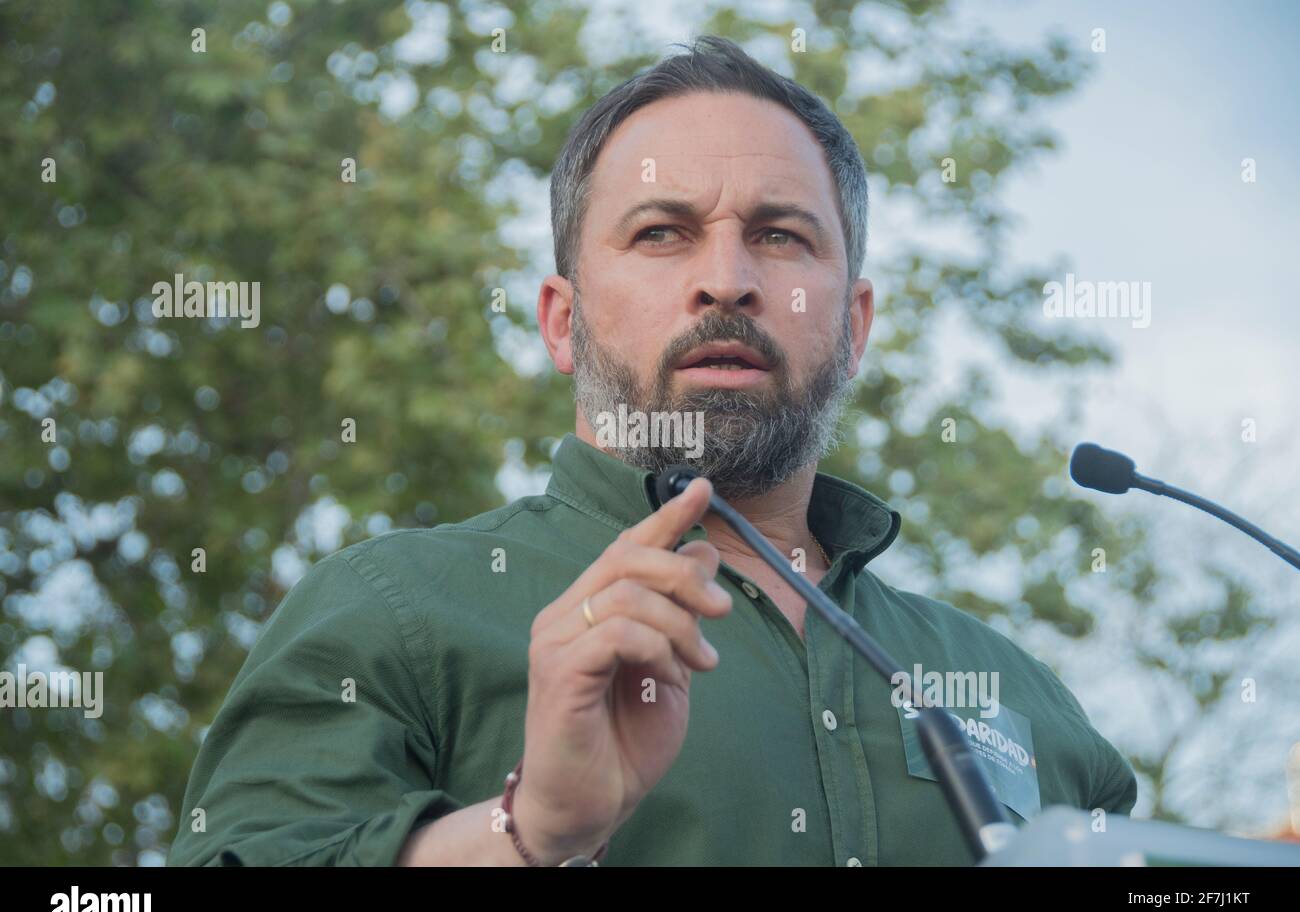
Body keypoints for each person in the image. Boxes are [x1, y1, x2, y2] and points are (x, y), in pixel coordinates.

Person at [168, 35, 1136, 867]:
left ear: (853, 324)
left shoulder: (1021, 691)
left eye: (781, 235)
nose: (726, 280)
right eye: (662, 232)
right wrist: (526, 828)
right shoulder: (394, 614)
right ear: (562, 321)